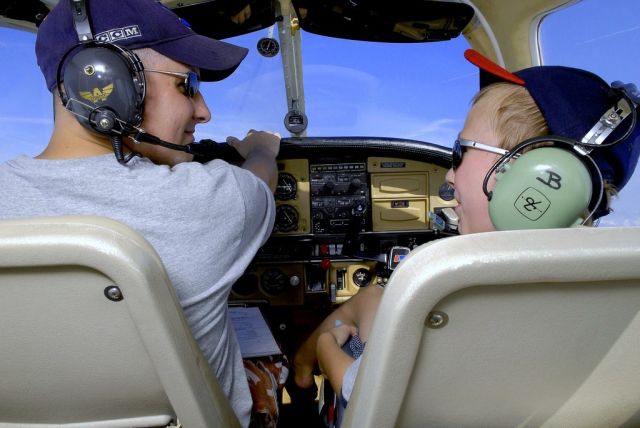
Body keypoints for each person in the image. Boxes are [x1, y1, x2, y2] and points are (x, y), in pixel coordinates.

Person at [289, 49, 640, 426]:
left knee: (357, 318)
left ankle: (300, 375)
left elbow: (366, 396)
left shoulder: (463, 297)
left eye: (461, 152)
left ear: (539, 178)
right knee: (373, 299)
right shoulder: (615, 294)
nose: (449, 177)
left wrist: (327, 349)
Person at [0, 0, 281, 426]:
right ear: (108, 82)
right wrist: (261, 148)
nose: (204, 111)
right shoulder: (211, 201)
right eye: (187, 85)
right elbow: (261, 179)